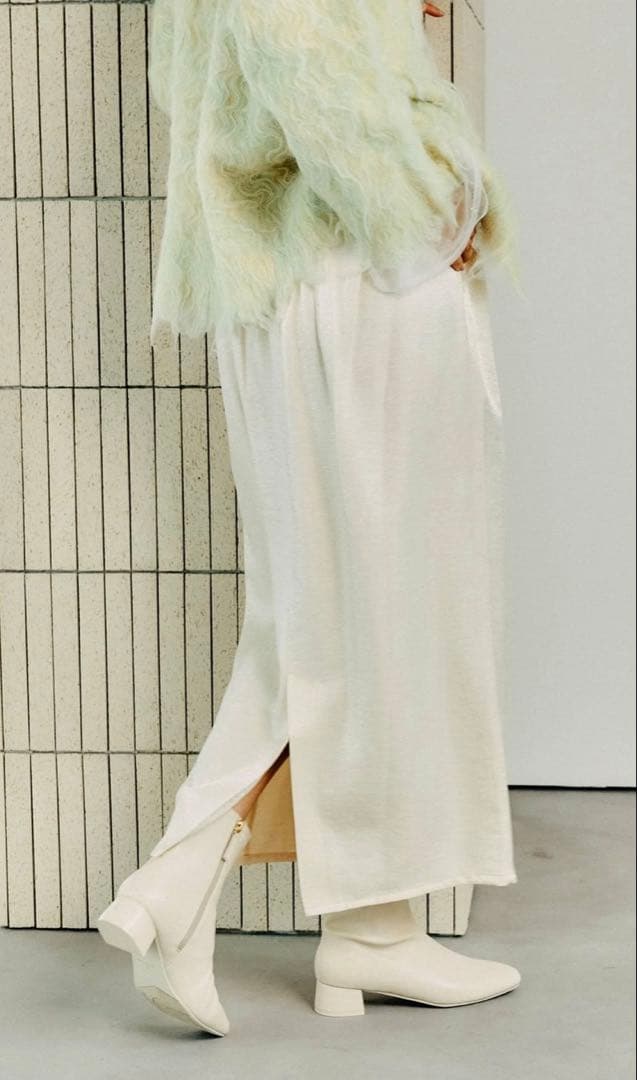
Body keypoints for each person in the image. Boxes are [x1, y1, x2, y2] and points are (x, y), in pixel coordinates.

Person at [97, 0, 522, 1035]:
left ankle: (371, 930)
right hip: (356, 278)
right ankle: (182, 877)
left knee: (328, 618)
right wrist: (434, 214)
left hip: (289, 281)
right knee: (375, 614)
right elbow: (313, 75)